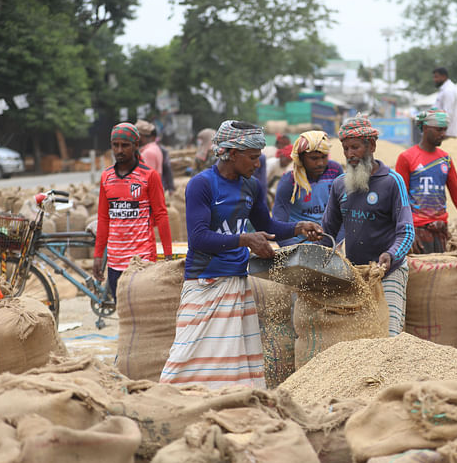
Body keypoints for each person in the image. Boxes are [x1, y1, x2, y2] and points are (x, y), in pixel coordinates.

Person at [160, 121, 322, 389]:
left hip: (237, 282)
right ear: (232, 154)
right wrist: (245, 239)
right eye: (253, 157)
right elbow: (198, 237)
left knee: (236, 363)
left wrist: (298, 227)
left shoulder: (251, 187)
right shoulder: (202, 185)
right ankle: (170, 399)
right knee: (185, 356)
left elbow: (268, 227)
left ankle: (230, 405)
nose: (258, 164)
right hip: (205, 282)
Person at [321, 116, 414, 336]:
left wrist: (390, 255)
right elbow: (327, 231)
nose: (350, 154)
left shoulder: (392, 181)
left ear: (371, 146)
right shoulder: (339, 185)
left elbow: (407, 231)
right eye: (345, 149)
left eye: (355, 147)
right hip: (355, 273)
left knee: (387, 334)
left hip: (389, 271)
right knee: (359, 337)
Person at [93, 122, 172, 302]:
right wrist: (98, 256)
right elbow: (103, 218)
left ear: (136, 145)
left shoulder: (149, 176)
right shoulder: (107, 177)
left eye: (125, 145)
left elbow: (161, 214)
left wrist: (168, 254)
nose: (119, 150)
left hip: (142, 260)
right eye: (115, 145)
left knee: (143, 311)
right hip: (115, 261)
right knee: (122, 312)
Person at [395, 109, 457, 253]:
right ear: (425, 128)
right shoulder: (407, 158)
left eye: (445, 130)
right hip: (417, 232)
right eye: (439, 130)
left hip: (441, 231)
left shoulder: (445, 159)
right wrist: (407, 232)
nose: (443, 134)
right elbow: (400, 199)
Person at [273, 131, 343, 246]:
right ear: (301, 158)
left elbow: (344, 211)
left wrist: (338, 242)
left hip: (328, 241)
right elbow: (278, 223)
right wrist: (292, 250)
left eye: (324, 157)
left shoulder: (335, 171)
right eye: (314, 158)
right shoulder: (290, 181)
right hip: (298, 243)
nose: (320, 163)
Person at [432, 67, 457, 138]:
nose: (435, 80)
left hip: (447, 133)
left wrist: (442, 130)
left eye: (436, 77)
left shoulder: (448, 90)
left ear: (444, 76)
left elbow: (448, 112)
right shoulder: (444, 90)